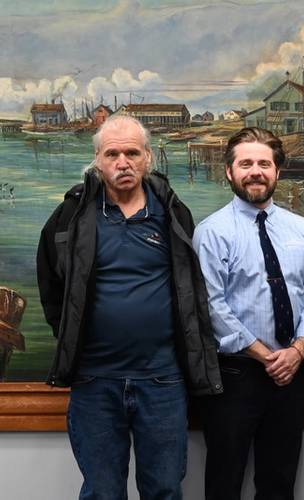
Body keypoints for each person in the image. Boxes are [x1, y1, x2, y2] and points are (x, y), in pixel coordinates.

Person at [36, 115, 222, 499]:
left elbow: (189, 288)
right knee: (103, 492)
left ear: (148, 157)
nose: (123, 161)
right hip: (94, 381)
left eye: (132, 152)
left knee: (165, 490)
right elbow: (52, 286)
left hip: (163, 380)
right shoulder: (71, 215)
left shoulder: (171, 212)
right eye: (113, 153)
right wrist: (69, 333)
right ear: (98, 160)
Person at [193, 127, 304, 500]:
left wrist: (298, 350)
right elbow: (211, 304)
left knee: (279, 482)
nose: (256, 171)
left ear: (277, 172)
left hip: (291, 376)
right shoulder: (212, 232)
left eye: (264, 163)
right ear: (229, 171)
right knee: (225, 481)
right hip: (234, 377)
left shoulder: (303, 230)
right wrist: (264, 354)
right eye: (246, 163)